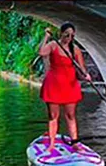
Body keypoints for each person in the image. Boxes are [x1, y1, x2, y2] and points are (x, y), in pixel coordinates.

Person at [37, 22, 87, 154]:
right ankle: (51, 144)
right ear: (61, 34)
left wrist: (85, 75)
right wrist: (46, 37)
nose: (68, 38)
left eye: (71, 36)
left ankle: (75, 142)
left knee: (70, 115)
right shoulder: (54, 45)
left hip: (70, 85)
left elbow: (81, 69)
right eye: (66, 35)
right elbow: (42, 52)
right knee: (53, 116)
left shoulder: (75, 49)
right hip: (53, 85)